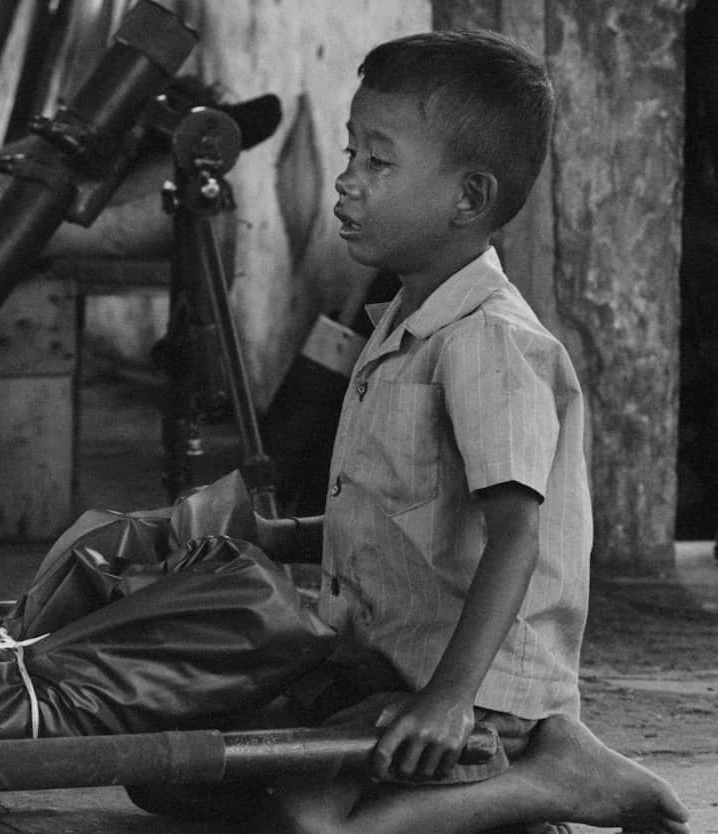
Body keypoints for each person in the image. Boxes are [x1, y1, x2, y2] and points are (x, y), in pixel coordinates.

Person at [251, 29, 691, 834]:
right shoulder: (404, 323)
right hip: (384, 666)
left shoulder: (489, 341)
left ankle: (553, 778)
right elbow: (406, 510)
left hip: (470, 682)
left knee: (316, 825)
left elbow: (514, 536)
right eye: (350, 154)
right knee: (170, 780)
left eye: (377, 163)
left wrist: (450, 699)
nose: (347, 183)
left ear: (469, 197)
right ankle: (528, 764)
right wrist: (275, 536)